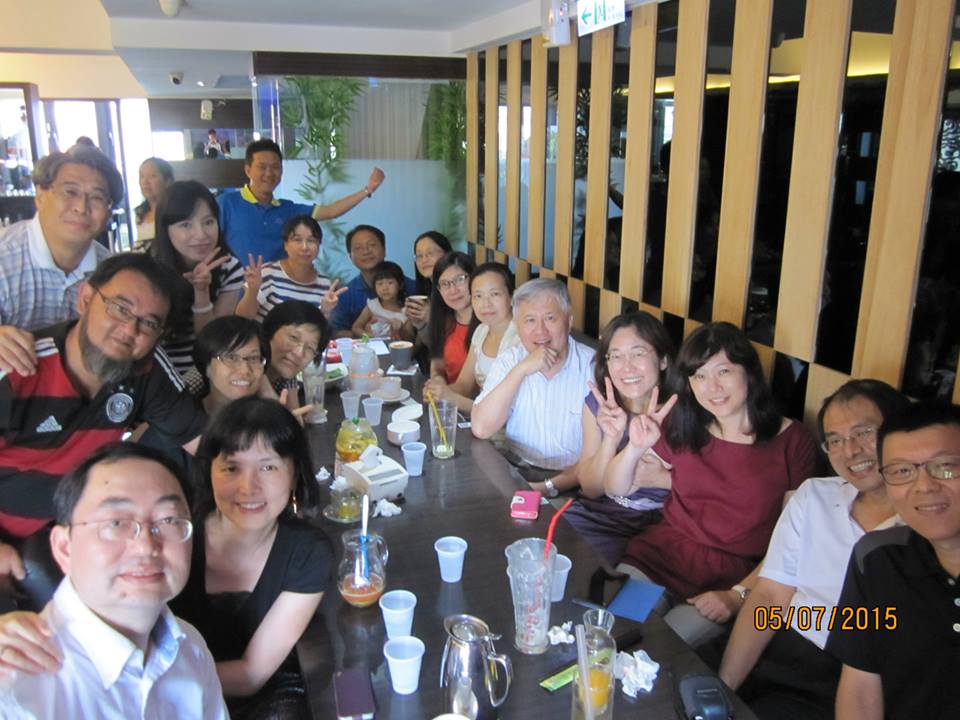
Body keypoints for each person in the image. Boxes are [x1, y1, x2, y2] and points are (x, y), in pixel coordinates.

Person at [0, 253, 207, 600]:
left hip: (73, 540)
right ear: (85, 299)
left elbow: (206, 444)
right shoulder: (17, 367)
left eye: (148, 324)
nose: (129, 331)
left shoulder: (146, 370)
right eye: (120, 309)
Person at [716, 379, 908, 720]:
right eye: (835, 440)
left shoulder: (928, 525)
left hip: (854, 674)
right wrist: (723, 688)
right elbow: (770, 598)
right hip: (782, 646)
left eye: (864, 432)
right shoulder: (815, 495)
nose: (851, 451)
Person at [0, 443, 228, 718]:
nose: (146, 547)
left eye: (168, 520)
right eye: (116, 523)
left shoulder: (189, 646)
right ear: (64, 547)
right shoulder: (15, 686)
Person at [617, 322, 817, 604]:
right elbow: (616, 486)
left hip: (731, 578)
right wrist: (634, 448)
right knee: (615, 618)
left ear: (749, 371)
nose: (713, 387)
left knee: (679, 632)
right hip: (659, 557)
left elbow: (791, 540)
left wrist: (738, 595)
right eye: (699, 376)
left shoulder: (793, 441)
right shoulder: (684, 423)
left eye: (724, 371)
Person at [171, 397, 331, 719]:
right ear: (209, 471)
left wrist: (161, 684)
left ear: (295, 473)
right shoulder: (174, 539)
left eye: (268, 467)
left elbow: (250, 675)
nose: (248, 487)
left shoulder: (308, 553)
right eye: (231, 468)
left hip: (266, 699)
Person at [826, 402, 960, 720]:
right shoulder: (876, 558)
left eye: (945, 466)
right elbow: (860, 689)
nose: (924, 486)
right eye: (902, 472)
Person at [560, 312, 676, 565]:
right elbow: (591, 490)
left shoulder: (684, 413)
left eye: (638, 353)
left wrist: (662, 479)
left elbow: (710, 491)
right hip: (601, 514)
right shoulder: (599, 406)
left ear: (663, 360)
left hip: (664, 526)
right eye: (616, 356)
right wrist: (610, 438)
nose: (627, 367)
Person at [0, 145, 124, 376]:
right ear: (40, 196)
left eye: (97, 197)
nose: (81, 207)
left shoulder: (111, 274)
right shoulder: (4, 258)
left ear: (108, 213)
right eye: (70, 192)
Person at [472, 278, 595, 472]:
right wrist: (521, 370)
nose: (540, 331)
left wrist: (550, 485)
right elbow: (481, 428)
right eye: (530, 320)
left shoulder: (593, 366)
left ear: (569, 321)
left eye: (550, 318)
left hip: (577, 477)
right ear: (517, 326)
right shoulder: (510, 360)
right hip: (518, 469)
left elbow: (602, 453)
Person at [218, 138, 385, 263]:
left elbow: (330, 211)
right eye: (262, 167)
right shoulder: (226, 204)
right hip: (237, 294)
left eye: (275, 167)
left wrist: (367, 190)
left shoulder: (287, 209)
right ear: (248, 170)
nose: (269, 173)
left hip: (278, 292)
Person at [150, 180, 244, 382]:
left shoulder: (229, 267)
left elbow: (211, 341)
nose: (201, 235)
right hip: (154, 374)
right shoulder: (147, 268)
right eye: (186, 225)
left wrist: (201, 291)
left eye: (208, 222)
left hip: (204, 372)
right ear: (166, 229)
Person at [422, 262, 519, 416]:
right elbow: (464, 385)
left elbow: (507, 412)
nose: (486, 304)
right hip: (483, 422)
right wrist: (438, 391)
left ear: (512, 297)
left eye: (494, 294)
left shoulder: (521, 339)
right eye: (478, 296)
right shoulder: (481, 331)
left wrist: (452, 398)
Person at [235, 214, 347, 323]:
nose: (304, 247)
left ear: (319, 245)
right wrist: (252, 291)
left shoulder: (325, 285)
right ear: (285, 245)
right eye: (297, 240)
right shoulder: (267, 273)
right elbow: (242, 317)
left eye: (311, 240)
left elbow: (319, 331)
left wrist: (325, 312)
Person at [329, 224, 417, 335]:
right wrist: (366, 336)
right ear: (350, 256)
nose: (366, 251)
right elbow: (336, 332)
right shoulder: (346, 295)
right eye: (358, 248)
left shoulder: (412, 288)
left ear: (384, 250)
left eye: (371, 245)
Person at [263, 301, 331, 410]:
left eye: (310, 348)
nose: (299, 353)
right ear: (270, 330)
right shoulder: (245, 377)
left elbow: (294, 413)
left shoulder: (287, 368)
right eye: (293, 338)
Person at [427, 252, 476, 383]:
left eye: (460, 279)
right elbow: (437, 365)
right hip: (449, 394)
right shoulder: (443, 321)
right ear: (438, 290)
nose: (453, 290)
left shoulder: (489, 324)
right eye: (445, 284)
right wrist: (438, 381)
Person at [403, 230, 453, 335]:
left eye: (430, 253)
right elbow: (431, 343)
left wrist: (432, 317)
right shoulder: (428, 289)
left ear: (447, 254)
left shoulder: (455, 290)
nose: (424, 260)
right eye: (419, 255)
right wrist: (418, 323)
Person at [351, 260, 411, 340]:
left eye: (390, 283)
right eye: (380, 284)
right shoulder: (373, 306)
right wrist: (370, 337)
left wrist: (401, 328)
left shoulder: (407, 309)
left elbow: (412, 338)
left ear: (400, 284)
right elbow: (356, 328)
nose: (385, 288)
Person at [133, 157, 174, 250]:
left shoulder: (174, 212)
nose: (145, 182)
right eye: (142, 176)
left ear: (167, 181)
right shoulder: (140, 213)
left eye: (152, 176)